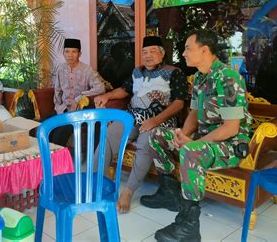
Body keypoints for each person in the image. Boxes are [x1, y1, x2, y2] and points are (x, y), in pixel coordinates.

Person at [148, 29, 252, 242]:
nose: (183, 53)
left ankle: (189, 226)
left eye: (188, 48)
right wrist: (182, 134)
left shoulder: (228, 77)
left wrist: (192, 143)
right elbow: (194, 114)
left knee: (191, 151)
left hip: (230, 145)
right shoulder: (198, 78)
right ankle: (169, 192)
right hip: (204, 141)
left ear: (205, 50)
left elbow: (231, 128)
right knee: (157, 135)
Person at [93, 35, 188, 213]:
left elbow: (179, 103)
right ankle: (95, 183)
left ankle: (128, 192)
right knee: (108, 137)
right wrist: (107, 96)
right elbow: (125, 90)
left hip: (160, 122)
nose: (148, 55)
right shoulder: (137, 71)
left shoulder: (175, 72)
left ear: (162, 53)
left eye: (152, 51)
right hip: (133, 117)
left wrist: (155, 120)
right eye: (145, 52)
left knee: (145, 144)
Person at [50, 38, 105, 146]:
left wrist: (79, 98)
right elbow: (58, 90)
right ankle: (42, 159)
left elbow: (100, 88)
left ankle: (55, 161)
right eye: (67, 51)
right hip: (63, 110)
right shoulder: (61, 69)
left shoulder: (87, 70)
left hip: (79, 112)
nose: (70, 55)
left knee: (59, 134)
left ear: (79, 54)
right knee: (41, 128)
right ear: (63, 53)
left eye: (74, 52)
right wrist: (58, 108)